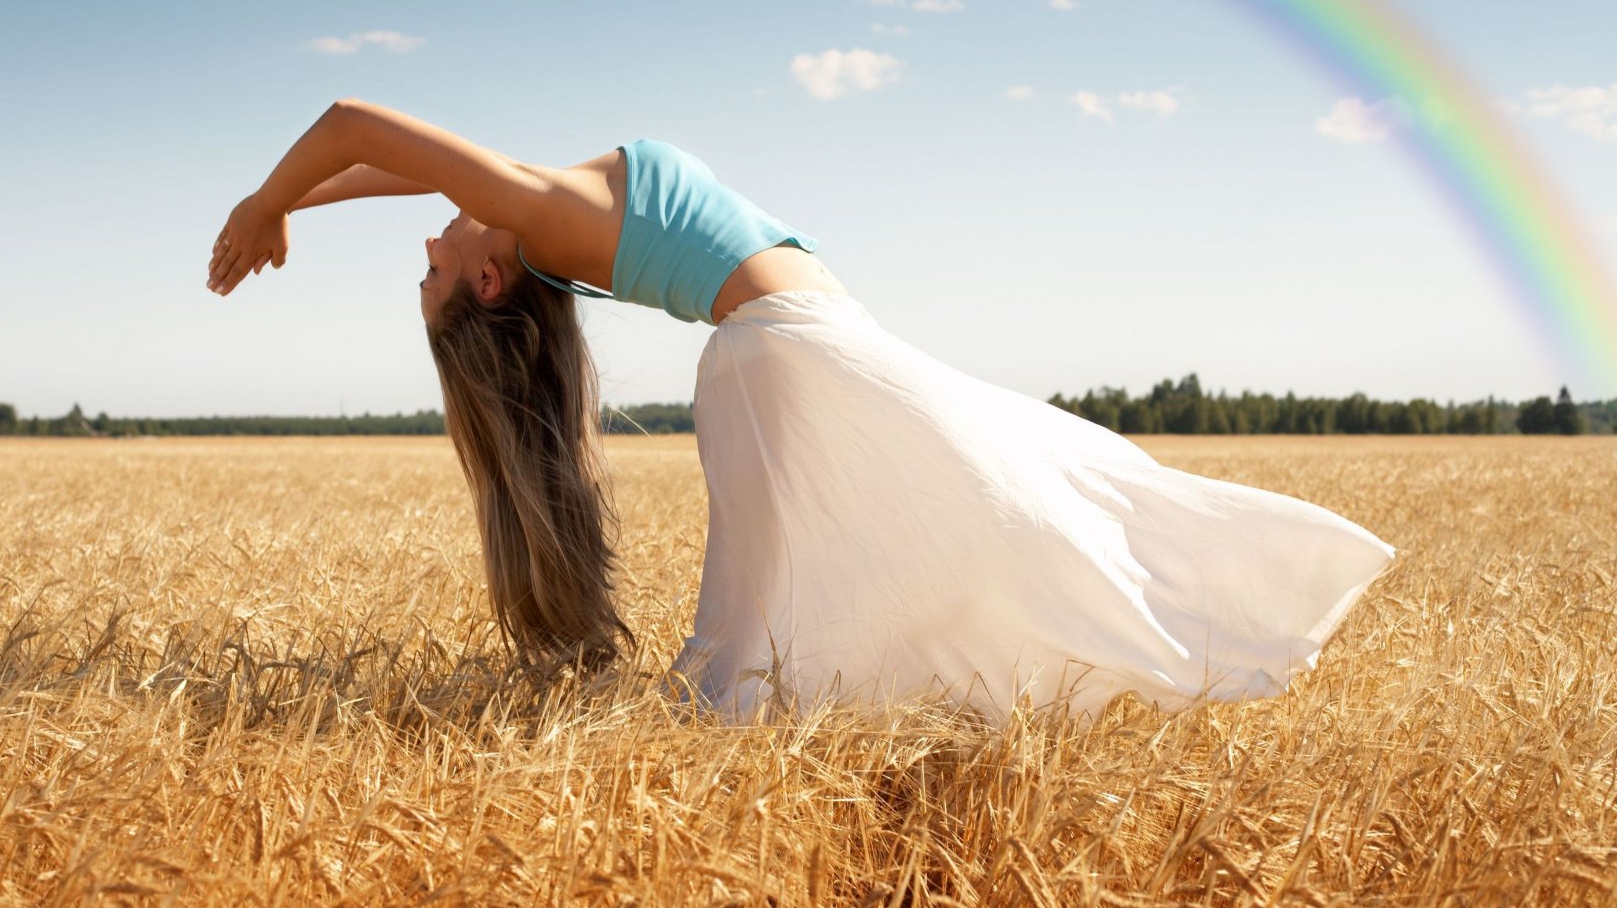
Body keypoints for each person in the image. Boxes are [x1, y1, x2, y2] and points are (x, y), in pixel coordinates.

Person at [207, 98, 1397, 721]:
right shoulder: (531, 205)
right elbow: (360, 119)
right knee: (996, 519)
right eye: (433, 266)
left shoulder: (530, 207)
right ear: (487, 280)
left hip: (799, 351)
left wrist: (292, 205)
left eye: (423, 251)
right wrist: (270, 200)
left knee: (1013, 501)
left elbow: (388, 159)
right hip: (790, 360)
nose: (428, 233)